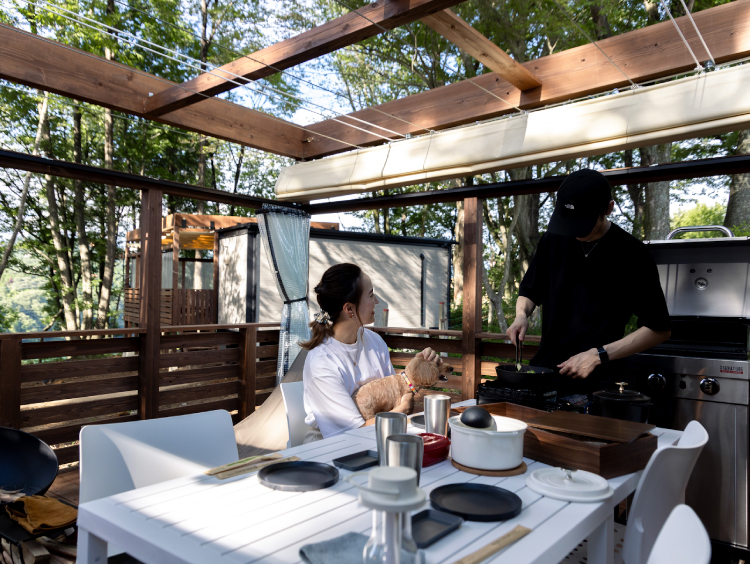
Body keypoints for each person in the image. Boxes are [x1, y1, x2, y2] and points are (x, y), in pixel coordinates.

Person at [507, 169, 672, 396]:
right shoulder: (552, 239)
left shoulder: (632, 253)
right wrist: (521, 315)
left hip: (600, 380)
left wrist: (598, 355)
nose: (573, 230)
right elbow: (530, 290)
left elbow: (659, 329)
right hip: (546, 372)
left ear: (608, 208)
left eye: (582, 221)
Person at [301, 263, 441, 442]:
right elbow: (353, 433)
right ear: (349, 309)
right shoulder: (322, 363)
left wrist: (421, 368)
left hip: (381, 436)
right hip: (332, 448)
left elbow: (396, 394)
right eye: (371, 295)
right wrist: (400, 411)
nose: (376, 301)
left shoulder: (373, 341)